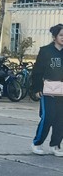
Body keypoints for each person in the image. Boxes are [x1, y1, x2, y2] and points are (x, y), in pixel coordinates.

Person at [30, 23, 63, 156]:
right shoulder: (45, 51)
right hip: (48, 91)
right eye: (61, 35)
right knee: (47, 117)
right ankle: (37, 143)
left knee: (60, 119)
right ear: (54, 36)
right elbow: (37, 71)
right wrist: (36, 88)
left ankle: (55, 145)